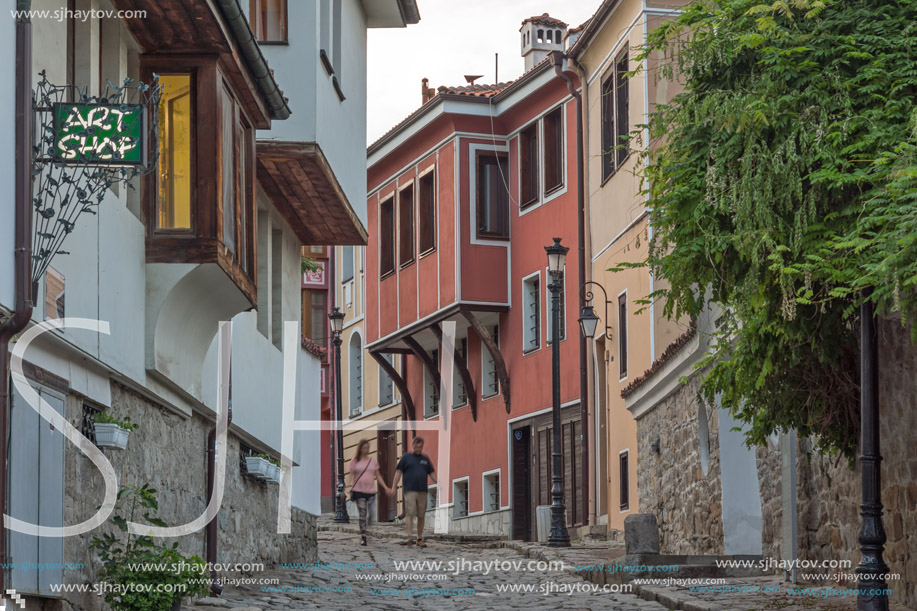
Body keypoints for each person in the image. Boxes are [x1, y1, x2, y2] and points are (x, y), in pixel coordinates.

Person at [390, 436, 436, 547]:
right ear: (413, 445)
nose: (419, 449)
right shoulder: (406, 458)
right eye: (417, 446)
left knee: (421, 515)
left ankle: (419, 538)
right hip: (410, 490)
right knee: (410, 513)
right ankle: (410, 536)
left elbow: (431, 472)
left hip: (422, 491)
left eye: (421, 447)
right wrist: (393, 487)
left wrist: (438, 482)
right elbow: (398, 473)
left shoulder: (425, 459)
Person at [348, 439, 392, 546]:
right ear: (360, 449)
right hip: (359, 490)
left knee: (372, 513)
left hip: (371, 490)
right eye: (364, 448)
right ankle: (363, 536)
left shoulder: (373, 461)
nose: (366, 450)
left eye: (368, 448)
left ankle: (367, 527)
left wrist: (386, 488)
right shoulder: (355, 460)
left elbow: (378, 476)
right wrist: (347, 487)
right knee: (362, 513)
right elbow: (351, 475)